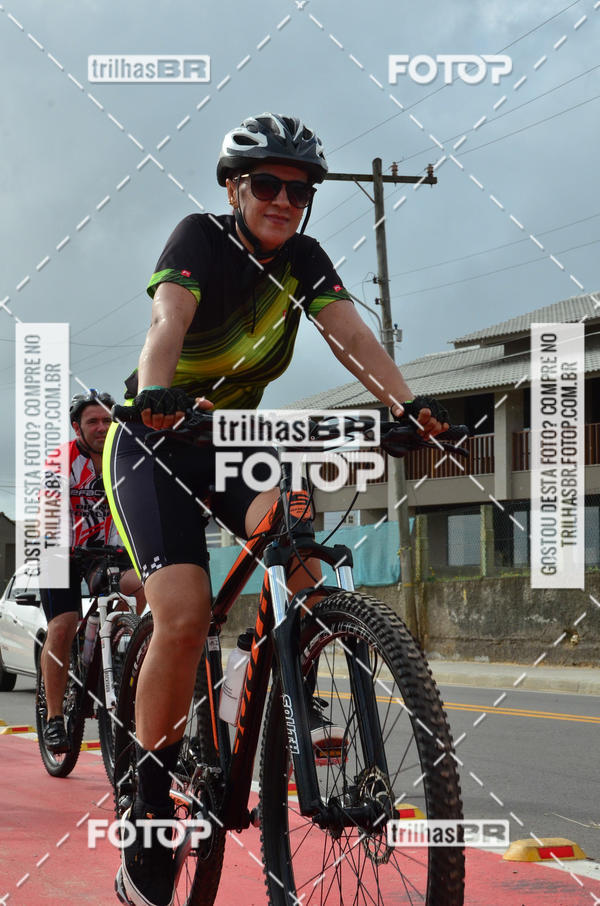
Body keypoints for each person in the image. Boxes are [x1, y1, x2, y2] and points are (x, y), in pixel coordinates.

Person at [104, 112, 450, 906]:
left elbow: (350, 337)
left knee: (295, 543)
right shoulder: (199, 238)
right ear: (235, 188)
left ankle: (294, 683)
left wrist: (407, 408)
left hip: (232, 444)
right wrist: (157, 394)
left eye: (300, 191)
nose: (284, 201)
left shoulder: (304, 260)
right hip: (157, 439)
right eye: (267, 185)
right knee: (184, 614)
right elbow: (168, 321)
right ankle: (149, 812)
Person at [39, 390, 146, 754]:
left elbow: (133, 509)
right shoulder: (61, 461)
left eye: (107, 420)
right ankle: (55, 718)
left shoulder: (122, 458)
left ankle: (126, 647)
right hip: (60, 551)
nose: (102, 427)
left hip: (106, 549)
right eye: (92, 421)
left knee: (143, 584)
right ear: (77, 427)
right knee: (63, 625)